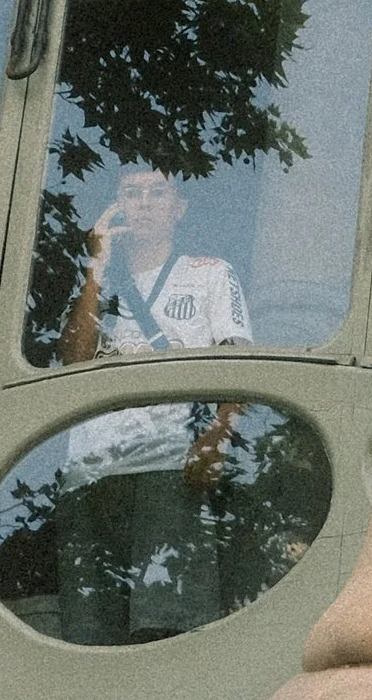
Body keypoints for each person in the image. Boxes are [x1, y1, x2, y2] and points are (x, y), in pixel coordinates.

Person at [53, 166, 250, 642]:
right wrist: (96, 267)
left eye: (157, 192)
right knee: (90, 631)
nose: (143, 203)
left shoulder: (208, 273)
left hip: (168, 466)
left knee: (167, 625)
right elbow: (71, 361)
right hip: (91, 470)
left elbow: (238, 363)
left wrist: (217, 438)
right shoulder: (98, 286)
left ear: (178, 208)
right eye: (131, 193)